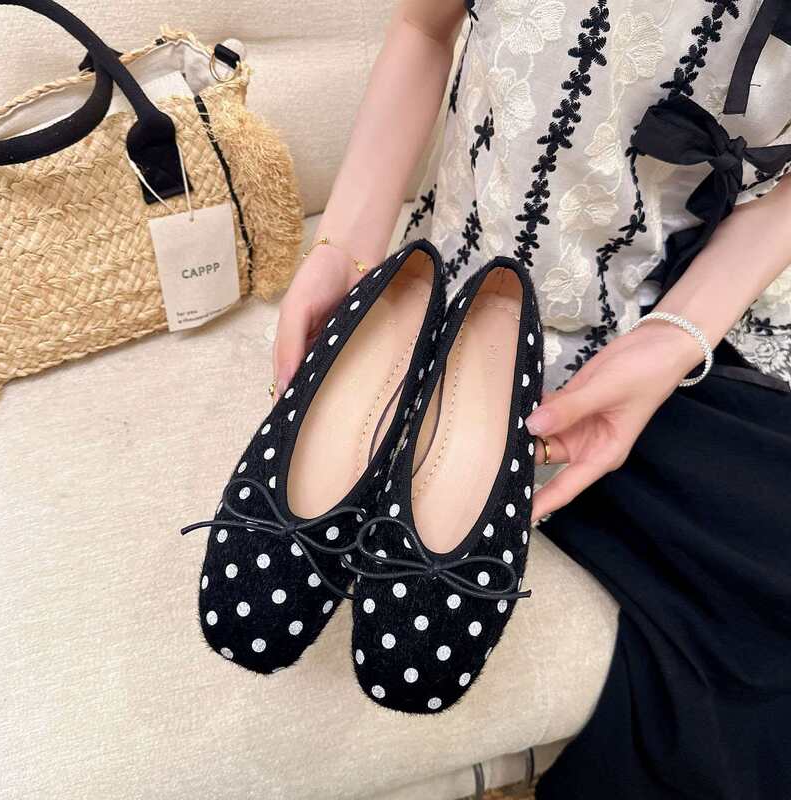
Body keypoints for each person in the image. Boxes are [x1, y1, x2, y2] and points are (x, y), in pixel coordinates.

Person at [273, 1, 791, 797]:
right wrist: (344, 245)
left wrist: (675, 337)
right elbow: (421, 27)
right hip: (456, 299)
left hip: (686, 328)